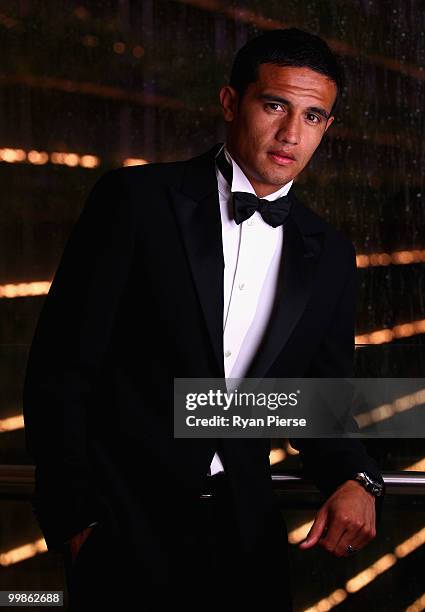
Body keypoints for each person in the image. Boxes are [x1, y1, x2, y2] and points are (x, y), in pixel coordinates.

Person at [23, 28, 385, 611]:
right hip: (122, 532)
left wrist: (357, 478)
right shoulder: (134, 201)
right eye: (275, 106)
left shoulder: (332, 253)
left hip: (247, 542)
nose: (292, 134)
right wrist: (77, 522)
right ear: (228, 102)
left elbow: (318, 403)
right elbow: (62, 371)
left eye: (314, 116)